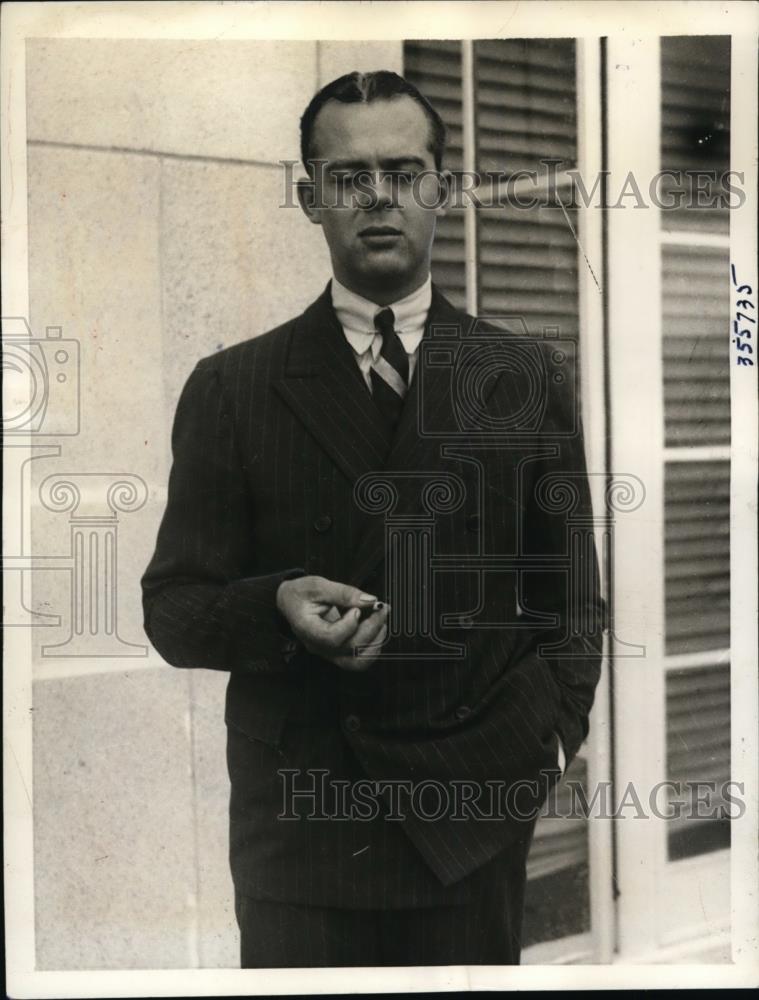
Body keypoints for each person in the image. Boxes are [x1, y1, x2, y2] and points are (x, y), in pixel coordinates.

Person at [141, 70, 604, 968]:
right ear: (311, 196)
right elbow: (174, 607)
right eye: (349, 177)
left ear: (442, 186)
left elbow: (573, 610)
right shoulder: (233, 387)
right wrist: (275, 604)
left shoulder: (521, 376)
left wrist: (542, 746)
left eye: (403, 170)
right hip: (303, 832)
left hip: (464, 826)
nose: (378, 198)